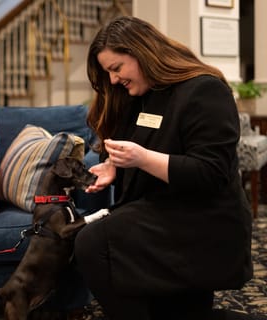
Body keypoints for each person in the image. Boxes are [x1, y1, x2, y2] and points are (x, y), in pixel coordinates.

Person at [74, 16, 253, 320]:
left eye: (116, 68)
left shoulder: (205, 90)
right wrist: (114, 165)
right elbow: (142, 143)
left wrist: (140, 158)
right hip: (162, 210)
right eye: (108, 73)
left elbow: (210, 173)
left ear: (142, 51)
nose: (114, 80)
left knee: (93, 242)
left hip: (204, 218)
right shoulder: (145, 95)